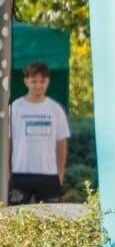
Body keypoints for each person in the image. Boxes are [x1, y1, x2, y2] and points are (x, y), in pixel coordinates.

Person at [6, 62, 71, 205]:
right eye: (34, 81)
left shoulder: (55, 109)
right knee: (16, 215)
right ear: (26, 81)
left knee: (51, 216)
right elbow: (7, 143)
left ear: (48, 82)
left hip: (48, 174)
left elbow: (61, 144)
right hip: (20, 173)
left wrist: (60, 173)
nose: (38, 85)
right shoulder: (15, 108)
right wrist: (7, 172)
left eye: (42, 81)